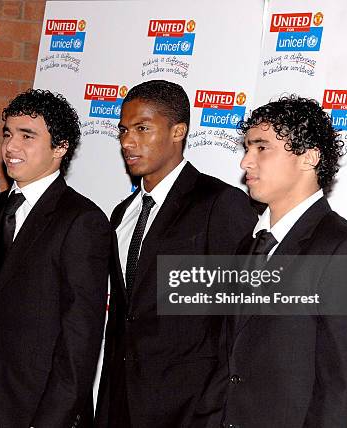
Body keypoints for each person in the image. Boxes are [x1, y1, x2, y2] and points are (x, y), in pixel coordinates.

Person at [94, 80, 257, 428]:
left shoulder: (219, 203)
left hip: (188, 407)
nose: (127, 141)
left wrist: (212, 408)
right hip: (120, 403)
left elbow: (240, 315)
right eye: (123, 130)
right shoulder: (122, 214)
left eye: (142, 128)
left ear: (178, 131)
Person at [0, 89, 112, 428]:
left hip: (41, 409)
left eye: (27, 136)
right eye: (8, 133)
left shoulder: (81, 220)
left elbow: (80, 339)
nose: (10, 147)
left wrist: (50, 421)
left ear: (60, 147)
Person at [221, 95, 347, 427]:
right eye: (246, 149)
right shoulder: (248, 245)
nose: (245, 163)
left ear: (309, 158)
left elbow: (343, 397)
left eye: (262, 148)